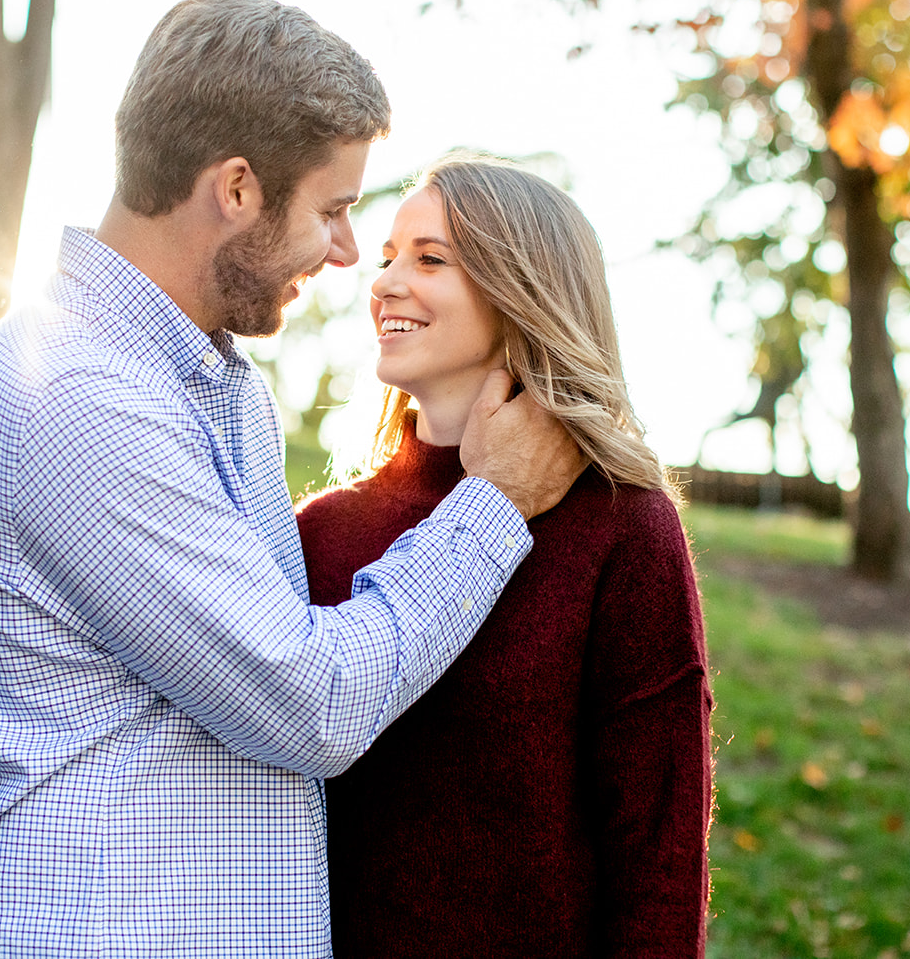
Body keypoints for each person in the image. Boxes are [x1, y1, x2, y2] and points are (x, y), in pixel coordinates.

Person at [0, 0, 585, 957]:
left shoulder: (214, 386)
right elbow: (306, 701)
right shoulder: (73, 392)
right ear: (236, 188)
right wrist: (493, 504)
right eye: (333, 210)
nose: (350, 253)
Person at [297, 156, 714, 958]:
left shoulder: (624, 527)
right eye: (387, 255)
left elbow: (658, 845)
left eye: (429, 258)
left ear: (520, 288)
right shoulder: (319, 532)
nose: (384, 282)